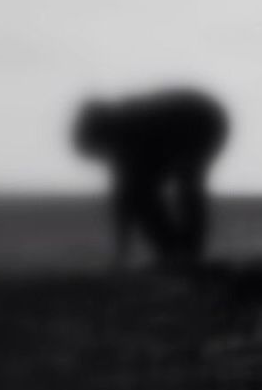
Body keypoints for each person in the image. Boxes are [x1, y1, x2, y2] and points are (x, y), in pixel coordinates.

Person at [72, 87, 230, 267]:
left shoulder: (127, 131)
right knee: (143, 191)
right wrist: (121, 253)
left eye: (100, 152)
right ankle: (173, 251)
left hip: (202, 120)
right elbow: (125, 199)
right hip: (190, 123)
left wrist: (121, 254)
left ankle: (187, 253)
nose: (105, 158)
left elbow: (123, 200)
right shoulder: (123, 132)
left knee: (184, 186)